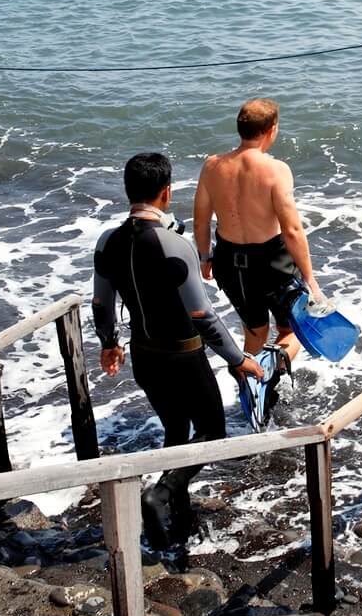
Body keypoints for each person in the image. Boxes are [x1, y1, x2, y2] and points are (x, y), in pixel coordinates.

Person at [93, 152, 262, 551]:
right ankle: (160, 495)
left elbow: (101, 304)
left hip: (144, 356)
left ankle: (178, 517)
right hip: (184, 355)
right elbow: (202, 315)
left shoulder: (108, 241)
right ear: (166, 193)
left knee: (174, 428)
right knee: (211, 431)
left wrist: (109, 345)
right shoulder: (173, 244)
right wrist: (238, 360)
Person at [194, 98, 324, 372]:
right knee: (292, 330)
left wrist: (205, 257)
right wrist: (311, 280)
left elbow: (201, 221)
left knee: (255, 332)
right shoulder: (276, 170)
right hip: (272, 261)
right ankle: (268, 377)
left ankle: (248, 379)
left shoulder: (213, 166)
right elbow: (291, 230)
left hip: (229, 261)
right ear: (271, 130)